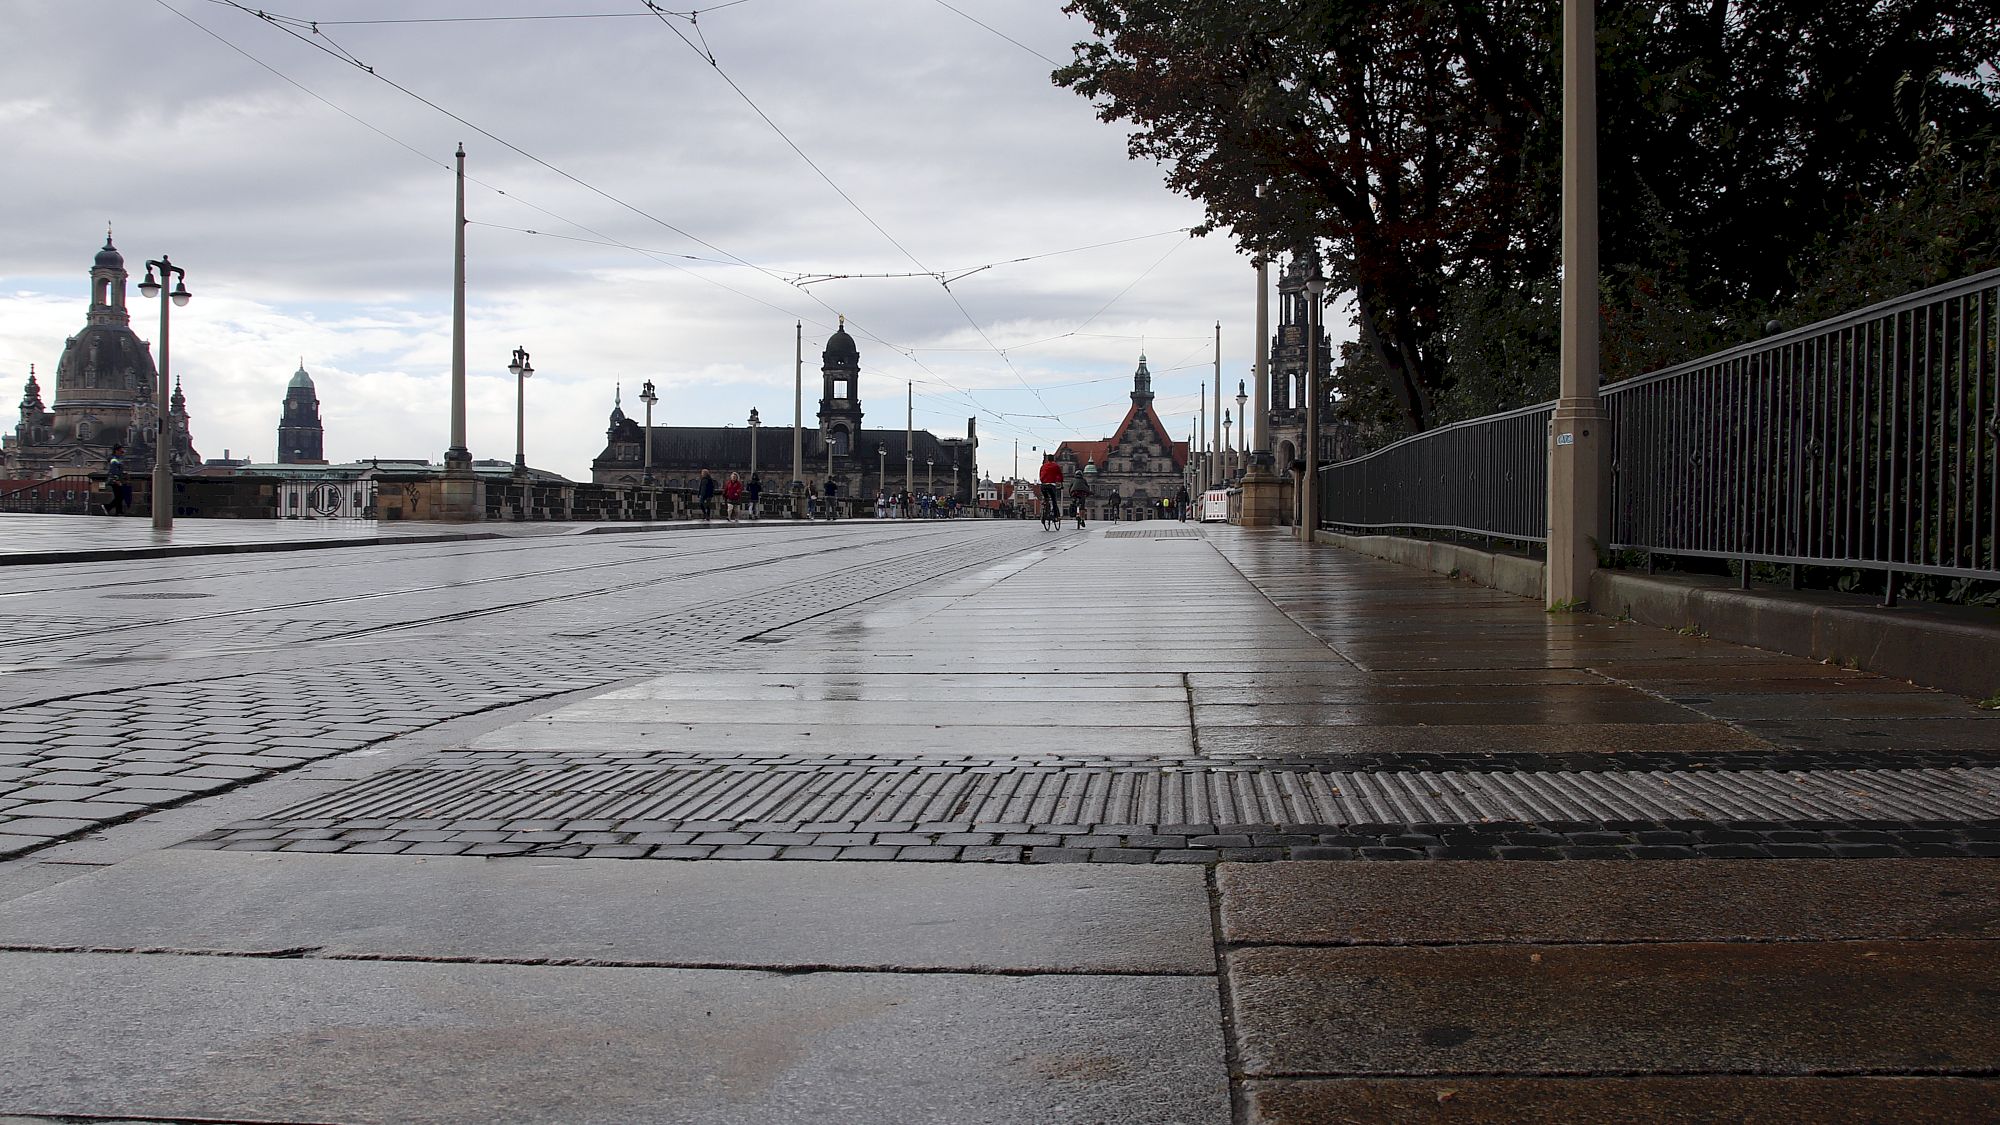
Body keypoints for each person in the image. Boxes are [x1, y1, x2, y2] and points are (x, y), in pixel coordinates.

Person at [1038, 454, 1064, 531]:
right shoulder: (1056, 466)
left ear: (1047, 459)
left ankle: (1044, 512)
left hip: (1043, 485)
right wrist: (1061, 483)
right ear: (1053, 459)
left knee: (1046, 498)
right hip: (1051, 485)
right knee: (1054, 501)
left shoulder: (1043, 466)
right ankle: (1056, 516)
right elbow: (1060, 475)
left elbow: (1040, 475)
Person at [102, 444, 129, 516]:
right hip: (114, 480)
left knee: (119, 496)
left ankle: (118, 511)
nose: (122, 452)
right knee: (120, 496)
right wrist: (117, 480)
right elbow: (114, 470)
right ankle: (108, 507)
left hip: (115, 479)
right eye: (120, 450)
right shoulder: (114, 459)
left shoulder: (116, 458)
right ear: (116, 451)